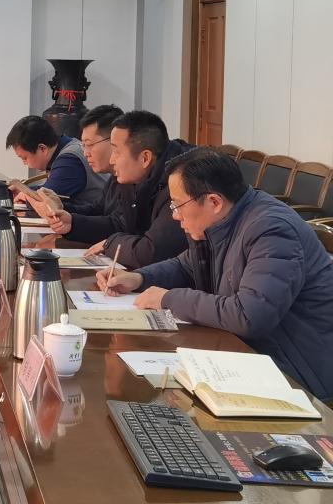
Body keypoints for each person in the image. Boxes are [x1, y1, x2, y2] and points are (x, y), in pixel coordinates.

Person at [99, 147, 333, 401]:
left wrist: (167, 299)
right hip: (249, 358)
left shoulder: (272, 230)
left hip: (299, 376)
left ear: (214, 202)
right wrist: (140, 278)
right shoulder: (223, 220)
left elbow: (249, 316)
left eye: (178, 204)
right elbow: (186, 265)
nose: (175, 215)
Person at [72, 110, 192, 268]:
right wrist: (71, 222)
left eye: (116, 152)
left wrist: (110, 244)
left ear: (145, 158)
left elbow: (152, 252)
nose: (111, 160)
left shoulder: (182, 182)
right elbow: (121, 225)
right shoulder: (133, 177)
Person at [43, 105, 122, 232]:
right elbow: (96, 210)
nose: (86, 153)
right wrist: (61, 207)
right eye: (83, 145)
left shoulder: (135, 180)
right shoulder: (114, 178)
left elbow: (118, 226)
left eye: (89, 144)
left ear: (114, 141)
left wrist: (73, 223)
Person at [4, 115, 106, 210]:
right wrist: (23, 190)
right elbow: (49, 187)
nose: (24, 163)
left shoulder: (69, 161)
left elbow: (45, 201)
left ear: (42, 148)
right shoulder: (67, 146)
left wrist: (25, 194)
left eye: (24, 158)